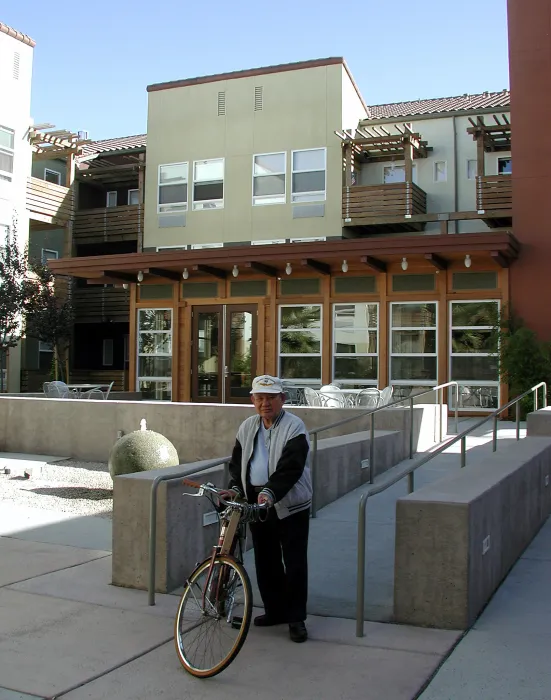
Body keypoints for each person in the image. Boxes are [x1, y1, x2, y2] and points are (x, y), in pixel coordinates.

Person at [228, 375, 312, 643]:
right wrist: (236, 489)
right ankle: (275, 610)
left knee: (294, 560)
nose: (265, 404)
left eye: (271, 398)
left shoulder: (294, 427)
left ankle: (296, 618)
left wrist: (269, 492)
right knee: (266, 559)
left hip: (289, 502)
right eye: (260, 398)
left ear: (282, 399)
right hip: (257, 501)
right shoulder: (247, 426)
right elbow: (238, 464)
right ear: (253, 400)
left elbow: (291, 468)